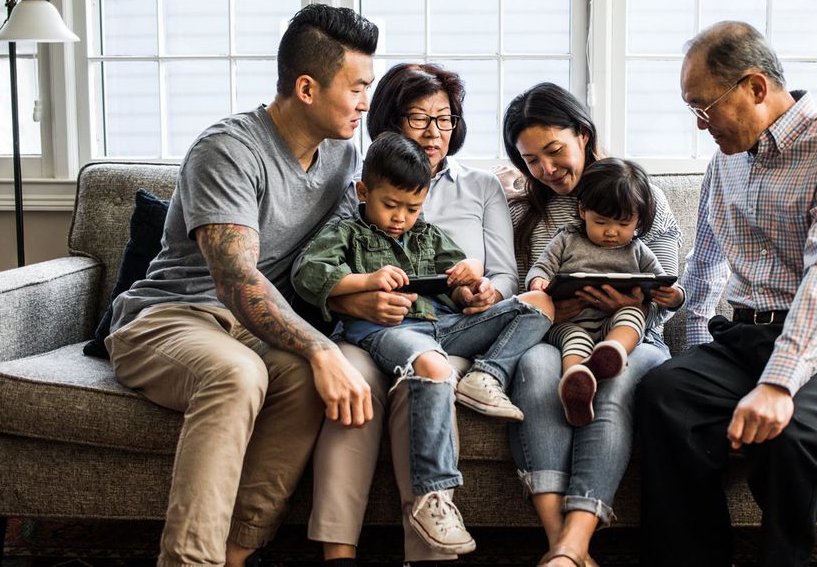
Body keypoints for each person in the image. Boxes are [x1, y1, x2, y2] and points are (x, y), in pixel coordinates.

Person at [103, 5, 378, 567]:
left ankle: (236, 553)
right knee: (239, 372)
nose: (365, 102)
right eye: (356, 88)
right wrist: (321, 345)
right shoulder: (228, 149)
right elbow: (235, 278)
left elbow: (336, 251)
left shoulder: (342, 155)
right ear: (306, 87)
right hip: (170, 319)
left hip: (248, 330)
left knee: (303, 380)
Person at [635, 21, 817, 566]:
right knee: (665, 393)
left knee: (789, 432)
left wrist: (778, 384)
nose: (701, 124)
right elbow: (704, 266)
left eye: (704, 107)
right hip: (745, 337)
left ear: (755, 87)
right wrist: (678, 315)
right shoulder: (723, 163)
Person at [292, 132, 553, 555]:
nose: (400, 218)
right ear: (363, 192)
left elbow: (457, 286)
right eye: (390, 205)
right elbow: (308, 273)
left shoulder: (427, 235)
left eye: (411, 208)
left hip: (443, 325)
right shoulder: (346, 232)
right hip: (382, 333)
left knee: (538, 303)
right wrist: (364, 282)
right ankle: (433, 498)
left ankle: (487, 375)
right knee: (434, 367)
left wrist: (473, 289)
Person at [502, 83, 683, 567]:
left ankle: (573, 543)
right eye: (531, 160)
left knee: (616, 379)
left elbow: (665, 291)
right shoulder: (528, 209)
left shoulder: (641, 195)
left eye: (554, 150)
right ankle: (559, 541)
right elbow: (527, 288)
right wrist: (550, 305)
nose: (546, 169)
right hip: (559, 332)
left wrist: (638, 299)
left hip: (634, 334)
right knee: (541, 373)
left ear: (583, 134)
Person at [525, 158, 684, 427]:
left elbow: (664, 283)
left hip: (614, 322)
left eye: (623, 225)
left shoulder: (637, 250)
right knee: (573, 341)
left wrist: (675, 297)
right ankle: (576, 383)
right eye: (600, 222)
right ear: (582, 210)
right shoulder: (566, 239)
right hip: (572, 323)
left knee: (633, 314)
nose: (611, 232)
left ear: (638, 221)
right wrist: (538, 283)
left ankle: (610, 354)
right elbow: (540, 268)